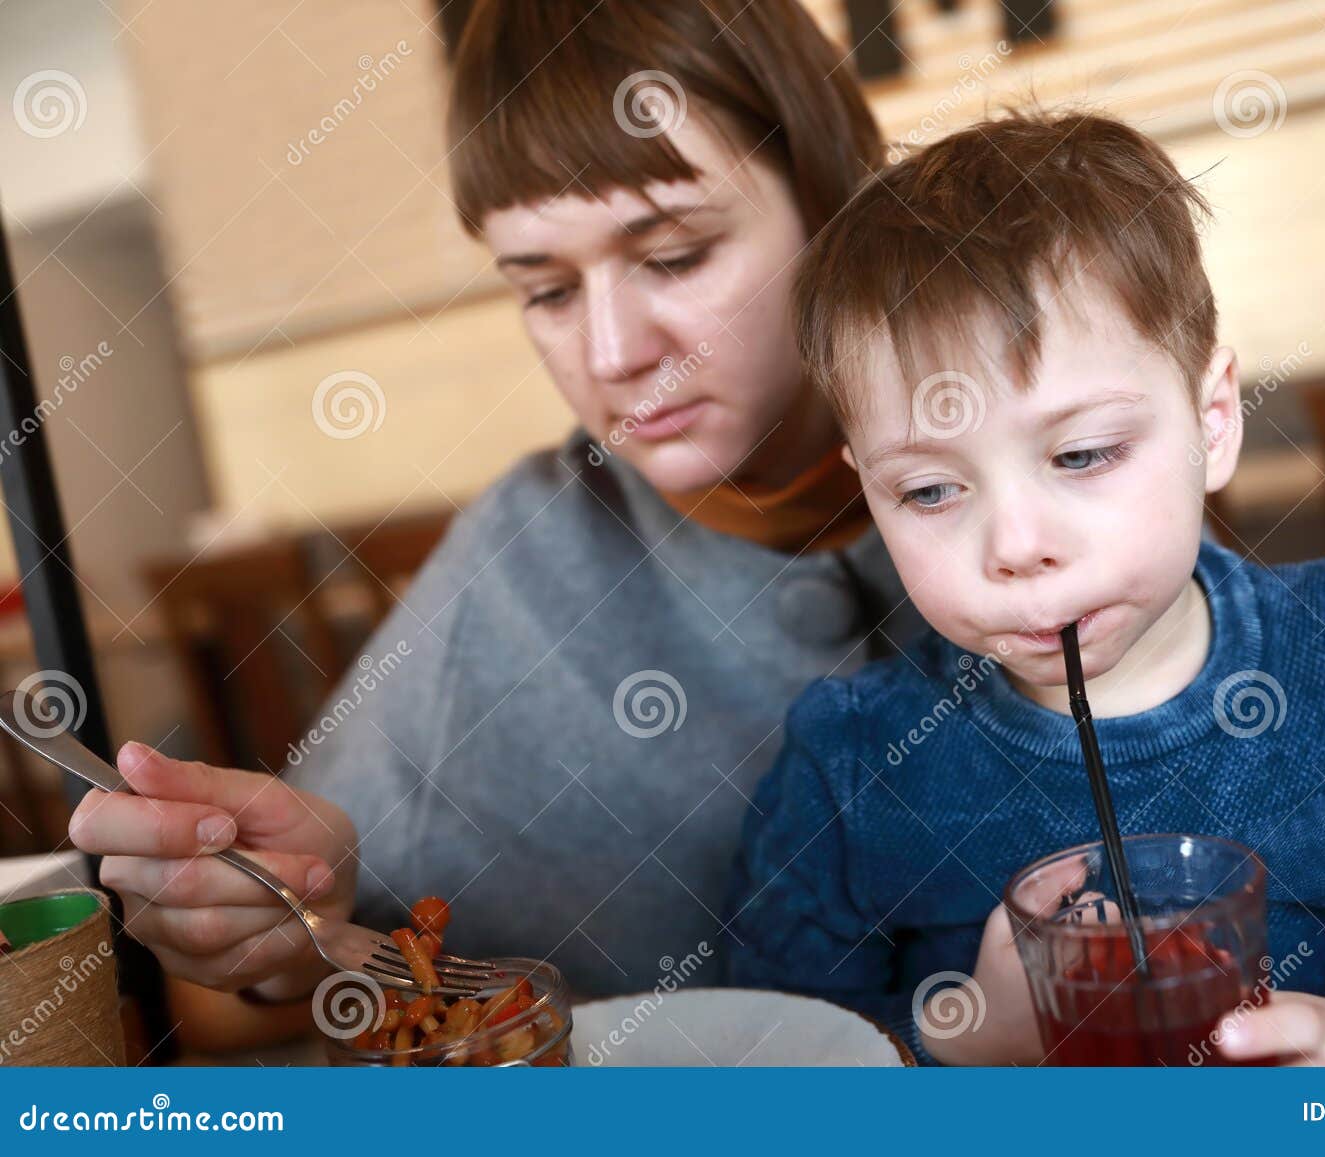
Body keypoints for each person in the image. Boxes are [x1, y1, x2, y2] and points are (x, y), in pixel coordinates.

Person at [67, 0, 924, 1048]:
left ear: (834, 205)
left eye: (674, 256)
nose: (611, 354)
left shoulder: (1039, 462)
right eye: (548, 290)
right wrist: (274, 930)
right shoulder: (522, 565)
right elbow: (230, 1003)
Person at [722, 109, 1325, 1066]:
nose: (1016, 546)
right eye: (929, 490)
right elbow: (752, 1057)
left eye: (1083, 453)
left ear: (1212, 422)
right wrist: (960, 1039)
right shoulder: (850, 760)